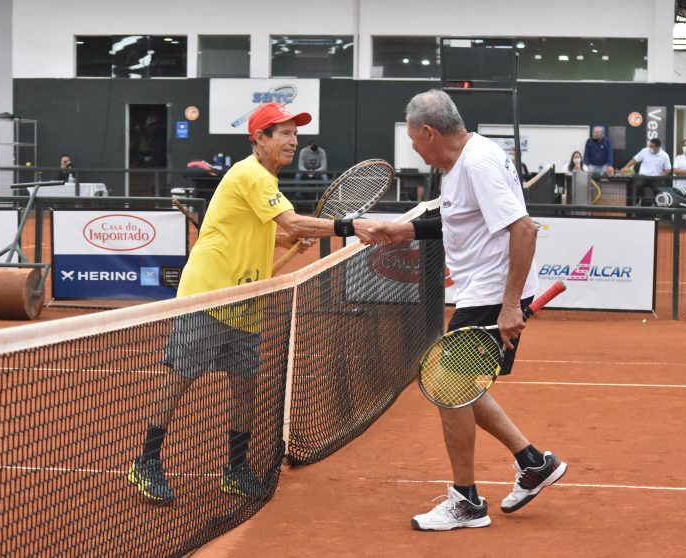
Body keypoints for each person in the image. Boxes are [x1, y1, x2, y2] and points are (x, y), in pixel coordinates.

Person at [127, 102, 380, 504]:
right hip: (209, 294)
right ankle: (146, 461)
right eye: (284, 134)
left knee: (245, 385)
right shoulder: (251, 174)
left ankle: (236, 468)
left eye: (295, 134)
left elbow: (264, 230)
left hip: (246, 301)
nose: (293, 141)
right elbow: (292, 221)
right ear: (259, 139)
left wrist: (288, 238)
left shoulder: (266, 180)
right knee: (180, 379)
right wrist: (349, 225)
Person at [355, 89, 567, 531]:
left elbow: (524, 229)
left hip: (492, 293)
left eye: (413, 139)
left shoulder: (477, 163)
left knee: (446, 386)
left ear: (429, 132)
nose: (414, 147)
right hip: (481, 292)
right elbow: (458, 221)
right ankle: (533, 463)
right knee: (460, 385)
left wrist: (510, 306)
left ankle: (467, 501)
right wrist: (404, 230)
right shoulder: (462, 163)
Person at [621, 137, 671, 206]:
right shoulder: (644, 151)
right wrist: (626, 167)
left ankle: (658, 206)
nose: (650, 148)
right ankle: (634, 203)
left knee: (658, 189)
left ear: (658, 147)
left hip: (655, 178)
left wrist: (660, 177)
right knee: (635, 186)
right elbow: (635, 160)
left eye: (652, 146)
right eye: (649, 146)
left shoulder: (665, 156)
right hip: (643, 176)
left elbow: (668, 169)